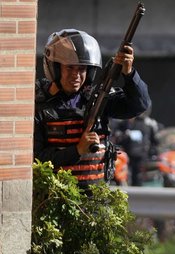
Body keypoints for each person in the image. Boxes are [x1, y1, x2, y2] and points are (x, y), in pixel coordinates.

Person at [34, 29, 151, 188]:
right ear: (55, 67)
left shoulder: (98, 99)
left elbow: (139, 105)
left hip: (96, 200)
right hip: (55, 199)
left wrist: (129, 73)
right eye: (70, 68)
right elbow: (36, 159)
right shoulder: (38, 105)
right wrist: (77, 151)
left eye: (82, 69)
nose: (76, 76)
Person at [111, 105, 162, 186]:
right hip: (126, 155)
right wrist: (125, 135)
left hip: (141, 156)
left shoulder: (149, 124)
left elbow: (155, 141)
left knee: (138, 179)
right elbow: (115, 137)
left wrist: (152, 152)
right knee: (123, 176)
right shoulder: (123, 123)